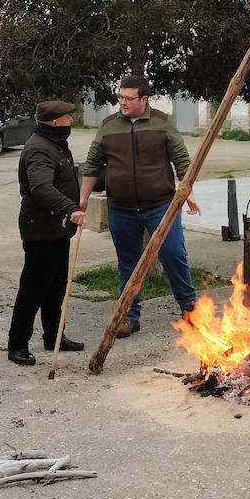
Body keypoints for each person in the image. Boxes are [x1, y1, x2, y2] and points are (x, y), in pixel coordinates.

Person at [78, 75, 198, 336]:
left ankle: (190, 309)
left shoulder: (162, 122)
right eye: (120, 97)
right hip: (120, 208)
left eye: (128, 98)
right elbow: (93, 163)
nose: (123, 102)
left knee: (173, 255)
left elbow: (181, 161)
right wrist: (84, 199)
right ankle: (129, 316)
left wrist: (187, 193)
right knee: (128, 263)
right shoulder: (108, 126)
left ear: (144, 99)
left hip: (161, 206)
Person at [7, 100, 90, 366]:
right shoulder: (39, 148)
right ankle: (17, 344)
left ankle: (54, 336)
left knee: (56, 287)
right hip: (40, 230)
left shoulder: (53, 143)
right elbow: (41, 187)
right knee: (33, 288)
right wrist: (70, 208)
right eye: (68, 118)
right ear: (55, 122)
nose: (71, 122)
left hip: (57, 230)